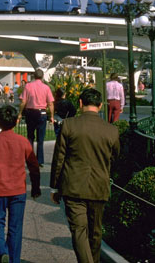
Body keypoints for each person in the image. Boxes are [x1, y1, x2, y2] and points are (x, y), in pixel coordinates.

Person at [50, 88, 120, 263]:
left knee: (79, 231)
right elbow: (115, 158)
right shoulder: (111, 130)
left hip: (73, 187)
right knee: (95, 233)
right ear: (101, 105)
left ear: (80, 103)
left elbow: (59, 157)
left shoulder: (69, 125)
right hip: (99, 187)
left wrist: (55, 186)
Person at [0, 105, 41, 263]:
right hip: (17, 190)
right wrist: (35, 187)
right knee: (15, 227)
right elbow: (34, 166)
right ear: (16, 121)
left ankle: (1, 251)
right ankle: (14, 259)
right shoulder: (23, 141)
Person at [17, 69, 55, 167]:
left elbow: (23, 102)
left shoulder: (28, 86)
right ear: (42, 77)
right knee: (40, 138)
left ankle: (30, 159)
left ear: (33, 76)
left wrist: (20, 113)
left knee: (30, 136)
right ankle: (40, 160)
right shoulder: (46, 88)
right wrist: (51, 116)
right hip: (42, 113)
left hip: (30, 112)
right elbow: (50, 103)